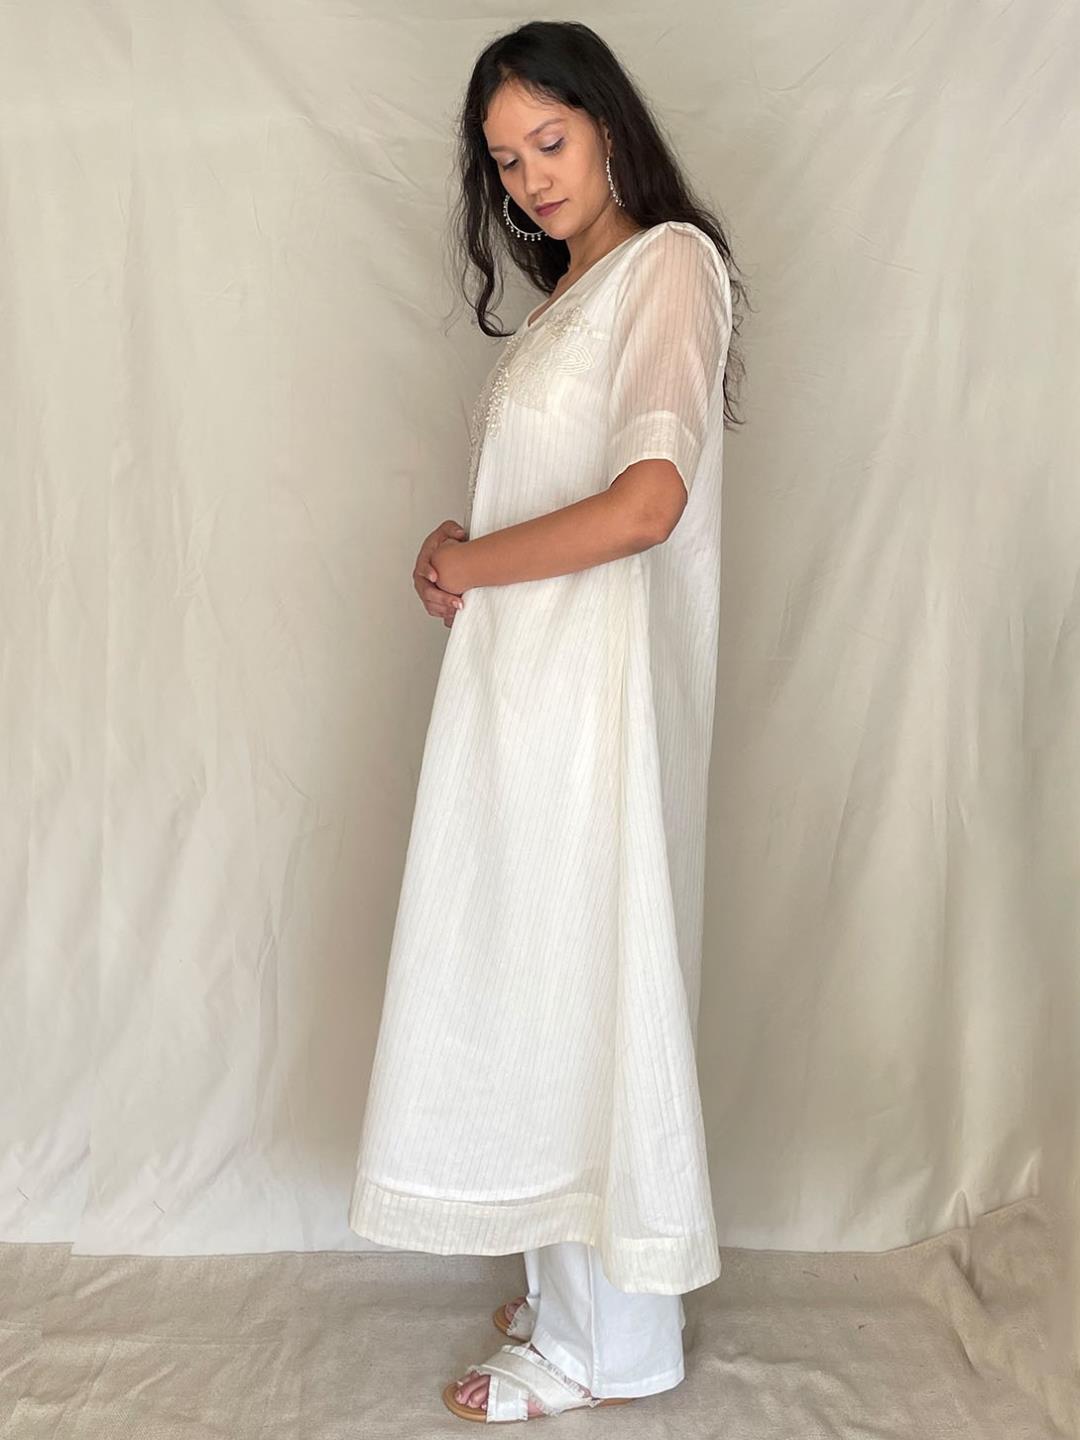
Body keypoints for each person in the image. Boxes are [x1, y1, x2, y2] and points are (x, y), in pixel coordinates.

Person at [348, 19, 747, 1423]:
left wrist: (476, 566)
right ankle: (576, 1294)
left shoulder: (667, 265)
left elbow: (647, 504)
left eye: (550, 141)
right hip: (531, 699)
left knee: (590, 983)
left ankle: (606, 1346)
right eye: (506, 161)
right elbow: (551, 498)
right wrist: (463, 543)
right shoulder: (572, 297)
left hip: (597, 710)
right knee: (542, 982)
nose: (529, 178)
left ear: (609, 123)